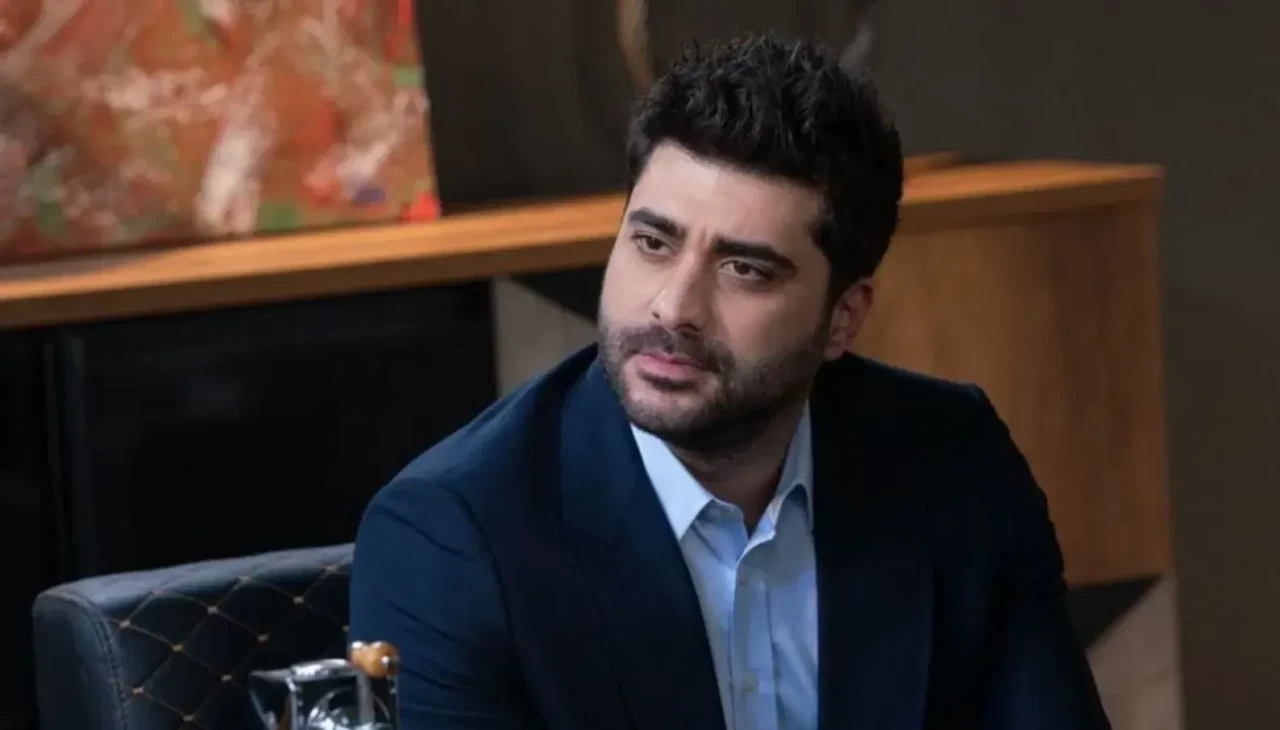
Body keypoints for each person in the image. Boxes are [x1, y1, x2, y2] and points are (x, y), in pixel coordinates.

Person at [349, 34, 1110, 730]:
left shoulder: (954, 463)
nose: (673, 307)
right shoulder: (454, 537)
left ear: (843, 318)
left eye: (744, 269)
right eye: (653, 242)